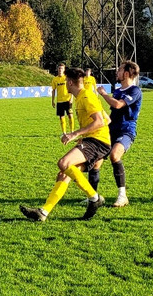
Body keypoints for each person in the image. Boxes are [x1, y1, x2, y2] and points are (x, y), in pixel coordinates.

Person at [20, 67, 108, 222]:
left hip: (97, 142)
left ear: (69, 82)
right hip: (93, 140)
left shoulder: (87, 96)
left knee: (63, 163)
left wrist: (75, 134)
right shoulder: (82, 96)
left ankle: (94, 198)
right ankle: (43, 212)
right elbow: (107, 119)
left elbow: (100, 122)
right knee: (63, 174)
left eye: (66, 81)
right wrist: (84, 137)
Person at [90, 60, 143, 208]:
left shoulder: (135, 91)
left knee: (114, 155)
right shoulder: (119, 90)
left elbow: (118, 105)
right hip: (111, 130)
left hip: (126, 131)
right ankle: (92, 196)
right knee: (96, 161)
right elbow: (113, 109)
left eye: (119, 70)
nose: (117, 72)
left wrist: (104, 94)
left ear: (126, 73)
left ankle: (122, 196)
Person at [51, 62, 74, 134]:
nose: (60, 70)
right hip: (59, 101)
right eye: (59, 68)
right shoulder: (55, 79)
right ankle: (64, 132)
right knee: (61, 117)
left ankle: (72, 131)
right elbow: (53, 90)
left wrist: (71, 98)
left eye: (61, 68)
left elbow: (72, 88)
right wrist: (52, 100)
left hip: (67, 100)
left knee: (70, 115)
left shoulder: (67, 78)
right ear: (57, 69)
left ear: (64, 70)